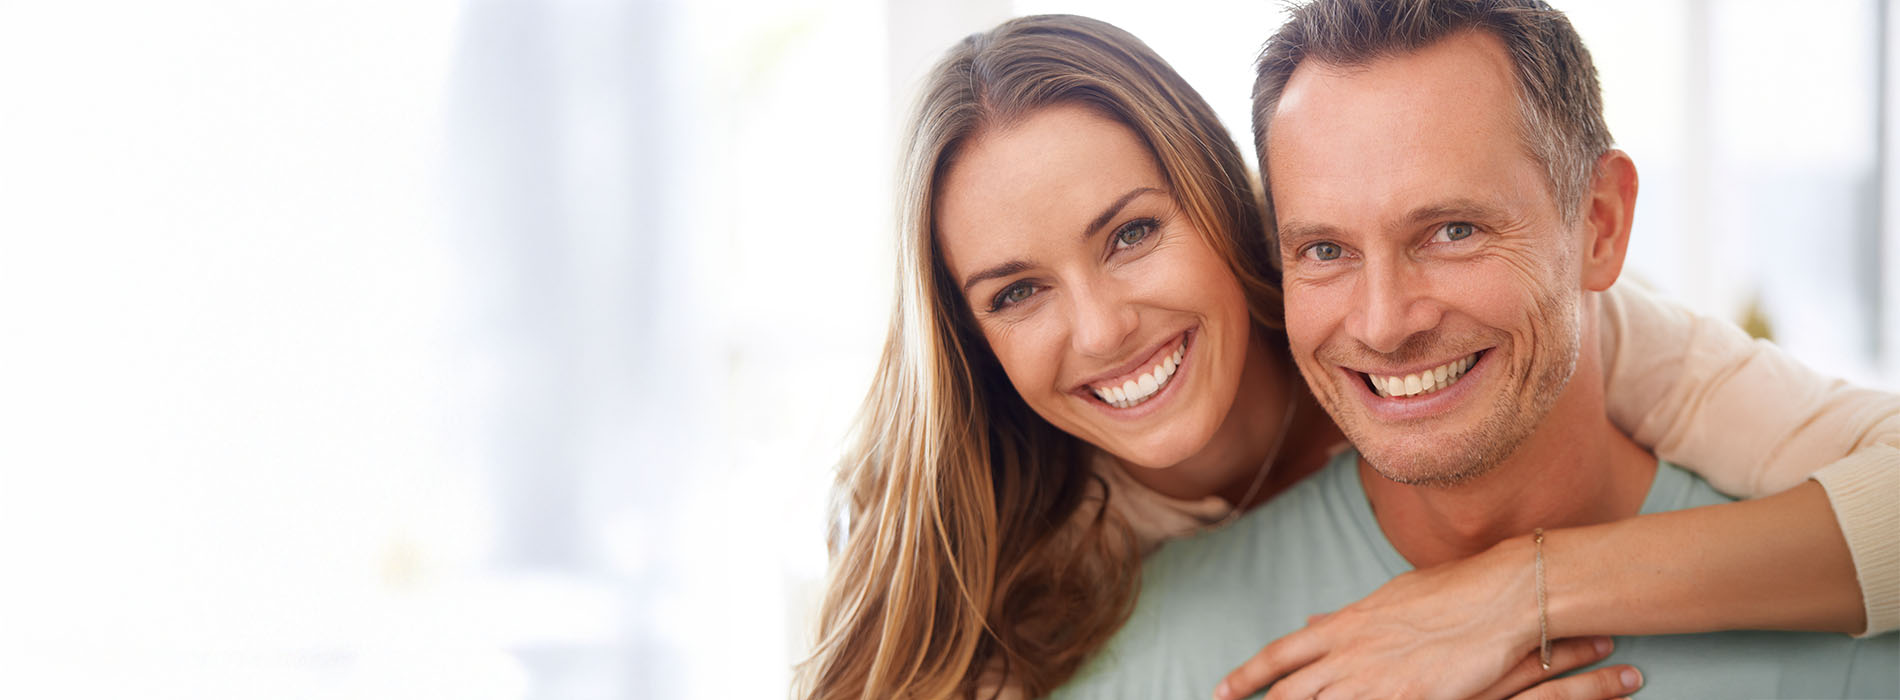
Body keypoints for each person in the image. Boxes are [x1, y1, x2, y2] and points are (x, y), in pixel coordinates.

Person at [797, 11, 1899, 700]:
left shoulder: (1595, 341)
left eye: (1132, 232)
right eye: (1017, 291)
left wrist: (1518, 590)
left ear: (1231, 223)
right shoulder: (996, 537)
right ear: (972, 338)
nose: (1099, 329)